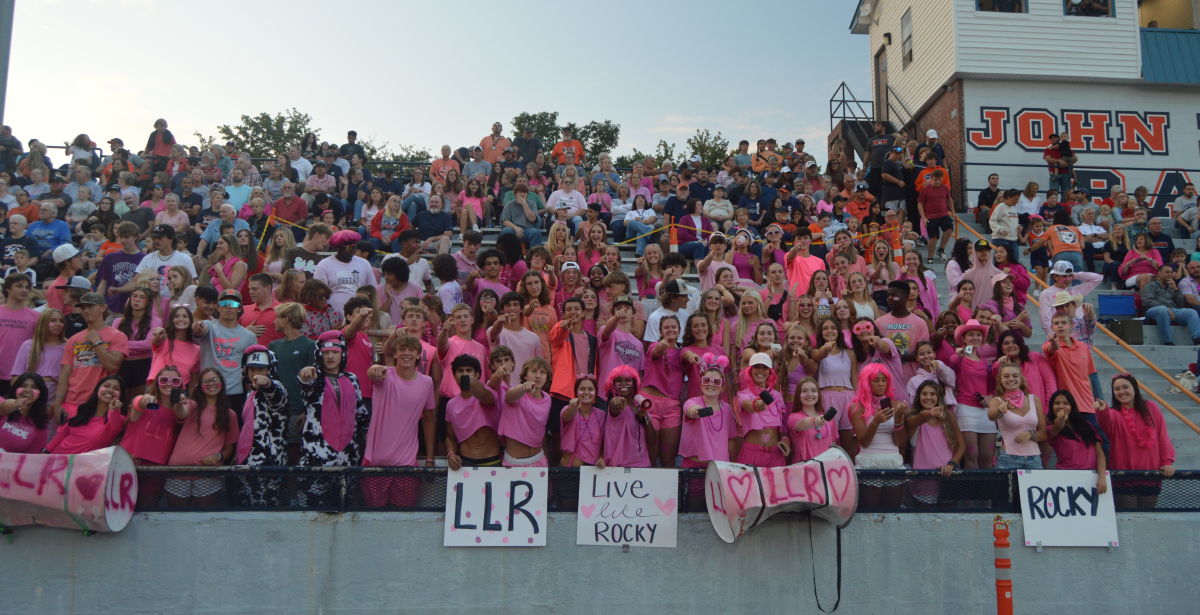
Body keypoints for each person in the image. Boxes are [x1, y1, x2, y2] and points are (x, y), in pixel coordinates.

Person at [1095, 375, 1174, 509]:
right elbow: (1106, 421)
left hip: (1151, 476)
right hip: (1124, 477)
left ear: (1135, 389)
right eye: (1117, 389)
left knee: (1147, 519)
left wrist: (1167, 461)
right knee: (1129, 518)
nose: (1121, 391)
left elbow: (1162, 435)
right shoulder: (1114, 413)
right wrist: (1102, 410)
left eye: (1126, 387)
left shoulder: (1151, 407)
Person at [52, 292, 128, 418]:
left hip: (100, 403)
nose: (86, 310)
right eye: (83, 307)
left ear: (103, 308)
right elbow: (65, 374)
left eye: (90, 306)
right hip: (72, 402)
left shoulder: (118, 336)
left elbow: (112, 365)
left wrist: (97, 342)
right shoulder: (73, 339)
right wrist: (58, 402)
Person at [847, 363, 908, 508]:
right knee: (871, 512)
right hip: (869, 461)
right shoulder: (856, 406)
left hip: (893, 460)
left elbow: (899, 442)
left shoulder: (896, 404)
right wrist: (876, 421)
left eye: (884, 379)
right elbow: (864, 442)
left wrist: (899, 419)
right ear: (867, 382)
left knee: (892, 512)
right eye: (876, 380)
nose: (881, 384)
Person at [195, 289, 257, 411]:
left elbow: (251, 368)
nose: (228, 307)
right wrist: (197, 327)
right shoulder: (208, 325)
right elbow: (199, 330)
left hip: (234, 391)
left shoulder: (250, 336)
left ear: (239, 308)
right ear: (218, 307)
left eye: (233, 304)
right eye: (224, 303)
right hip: (207, 388)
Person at [45, 375, 126, 454]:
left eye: (116, 388)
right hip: (58, 458)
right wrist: (47, 451)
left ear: (120, 395)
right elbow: (65, 431)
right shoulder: (82, 408)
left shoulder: (119, 419)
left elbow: (114, 417)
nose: (110, 390)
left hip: (84, 465)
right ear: (97, 389)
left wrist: (115, 409)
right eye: (106, 386)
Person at [987, 362, 1046, 469]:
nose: (1011, 379)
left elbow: (1044, 433)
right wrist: (1000, 409)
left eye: (1015, 375)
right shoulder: (997, 401)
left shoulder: (1034, 399)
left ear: (1021, 379)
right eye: (1006, 376)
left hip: (1034, 460)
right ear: (1000, 381)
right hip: (1009, 459)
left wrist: (1030, 433)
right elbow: (991, 416)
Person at [1046, 391, 1107, 493]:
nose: (1061, 406)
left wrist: (1102, 478)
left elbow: (1100, 454)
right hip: (1065, 479)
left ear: (1072, 406)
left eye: (1065, 403)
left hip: (1091, 479)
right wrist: (1061, 417)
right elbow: (1058, 425)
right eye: (1057, 403)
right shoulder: (1051, 429)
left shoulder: (1088, 426)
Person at [1141, 263, 1200, 346]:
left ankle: (1197, 338)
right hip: (1153, 310)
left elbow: (1181, 305)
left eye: (1171, 272)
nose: (1170, 274)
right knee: (1163, 310)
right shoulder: (1151, 285)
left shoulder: (1172, 285)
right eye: (1167, 272)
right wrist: (1166, 308)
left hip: (1172, 310)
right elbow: (1147, 301)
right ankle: (1168, 341)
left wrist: (1176, 289)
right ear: (1159, 273)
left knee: (1191, 312)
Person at [0, 273, 39, 397]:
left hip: (21, 375)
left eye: (27, 287)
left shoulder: (36, 316)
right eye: (19, 286)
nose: (24, 290)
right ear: (7, 288)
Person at [0, 373, 50, 453]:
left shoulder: (40, 424)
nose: (27, 390)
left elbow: (30, 459)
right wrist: (16, 404)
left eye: (34, 387)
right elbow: (2, 407)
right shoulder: (3, 404)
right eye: (23, 386)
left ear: (40, 394)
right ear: (15, 389)